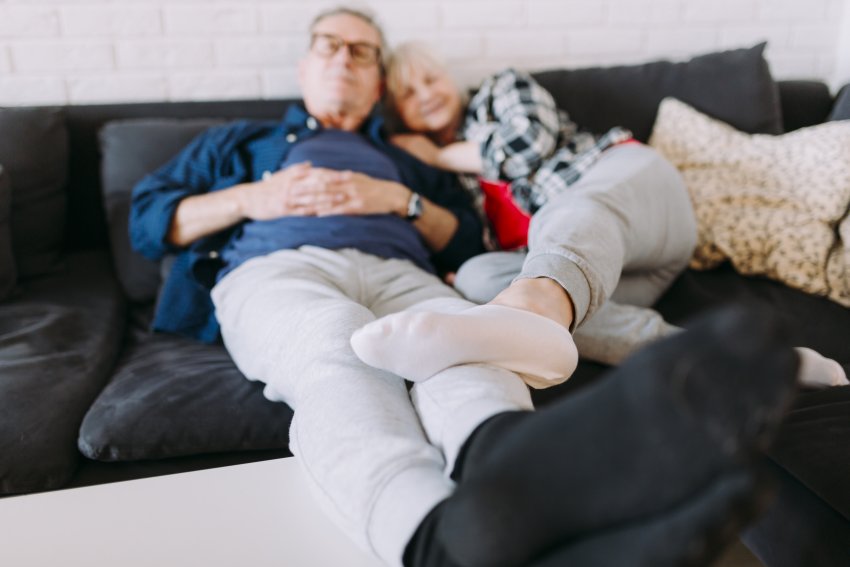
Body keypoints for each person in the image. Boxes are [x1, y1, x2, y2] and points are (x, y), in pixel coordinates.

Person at [129, 8, 801, 567]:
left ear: (376, 86)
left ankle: (512, 483)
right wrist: (256, 196)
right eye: (329, 45)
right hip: (279, 266)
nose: (343, 58)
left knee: (467, 347)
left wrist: (402, 199)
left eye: (362, 52)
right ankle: (430, 535)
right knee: (332, 345)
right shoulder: (238, 143)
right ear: (305, 65)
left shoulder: (404, 155)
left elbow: (465, 245)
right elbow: (149, 217)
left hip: (404, 270)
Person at [350, 41, 848, 391]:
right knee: (480, 276)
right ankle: (747, 364)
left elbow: (528, 146)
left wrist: (438, 154)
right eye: (408, 95)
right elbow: (465, 243)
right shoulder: (449, 183)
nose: (426, 94)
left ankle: (535, 308)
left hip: (636, 198)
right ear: (401, 118)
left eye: (430, 80)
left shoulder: (499, 92)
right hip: (598, 276)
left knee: (572, 207)